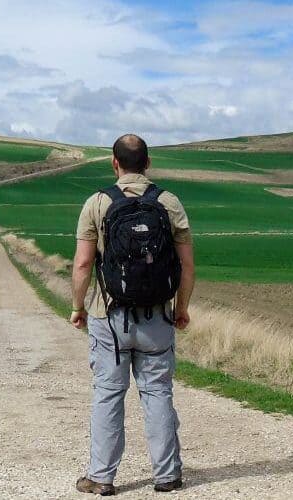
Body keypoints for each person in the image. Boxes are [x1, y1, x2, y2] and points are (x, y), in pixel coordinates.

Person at [71, 134, 195, 495]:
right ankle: (167, 475)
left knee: (109, 394)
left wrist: (78, 307)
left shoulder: (97, 203)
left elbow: (82, 263)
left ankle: (101, 477)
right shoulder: (169, 203)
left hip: (108, 315)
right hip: (157, 316)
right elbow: (186, 266)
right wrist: (181, 308)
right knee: (157, 392)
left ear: (114, 162)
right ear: (148, 162)